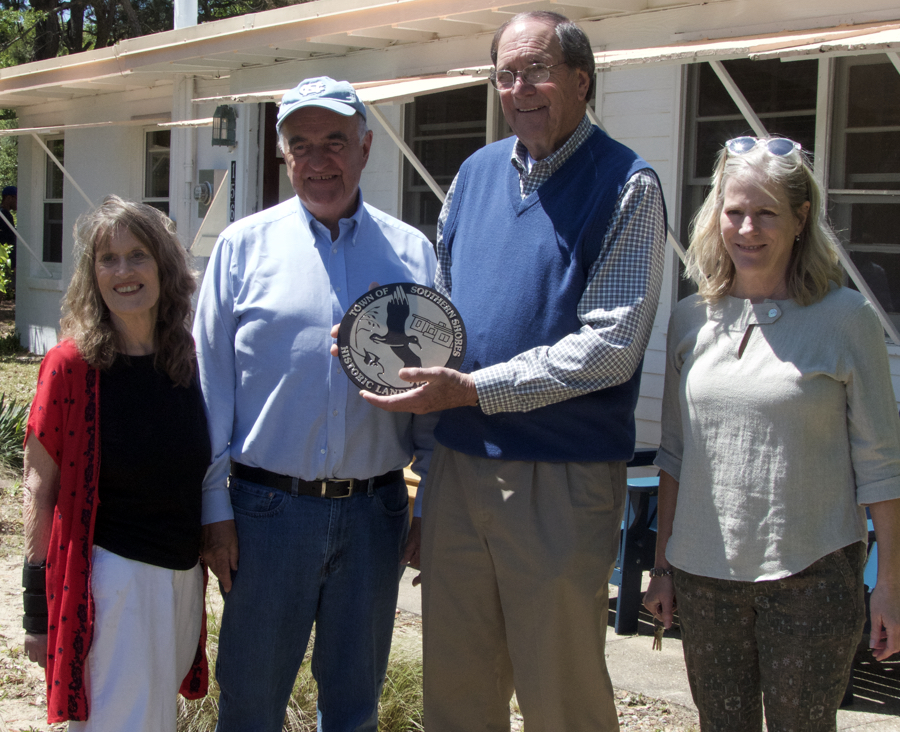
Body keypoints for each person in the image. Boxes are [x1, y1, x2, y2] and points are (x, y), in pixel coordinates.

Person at [362, 12, 666, 732]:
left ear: (581, 82)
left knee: (560, 694)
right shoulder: (472, 176)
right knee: (459, 690)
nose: (519, 87)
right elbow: (441, 319)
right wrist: (373, 340)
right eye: (505, 73)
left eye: (537, 70)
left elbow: (611, 345)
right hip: (462, 469)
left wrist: (472, 390)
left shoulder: (627, 184)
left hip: (560, 479)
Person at [193, 76, 436, 732]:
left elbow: (436, 392)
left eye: (335, 141)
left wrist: (432, 497)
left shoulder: (412, 253)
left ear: (364, 149)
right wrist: (214, 509)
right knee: (249, 702)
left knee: (354, 707)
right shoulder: (243, 249)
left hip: (374, 512)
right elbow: (209, 387)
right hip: (266, 514)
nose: (319, 159)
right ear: (282, 155)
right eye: (301, 145)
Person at [643, 136, 900, 731]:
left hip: (813, 576)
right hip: (705, 578)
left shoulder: (846, 320)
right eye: (735, 211)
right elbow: (676, 455)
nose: (748, 228)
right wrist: (662, 567)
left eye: (766, 213)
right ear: (717, 216)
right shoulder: (690, 319)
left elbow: (882, 464)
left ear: (801, 219)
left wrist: (889, 585)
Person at [22, 195, 210, 730]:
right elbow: (39, 488)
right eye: (109, 258)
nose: (123, 271)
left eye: (138, 255)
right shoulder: (70, 366)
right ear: (92, 273)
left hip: (180, 578)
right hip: (112, 583)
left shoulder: (188, 361)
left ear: (165, 267)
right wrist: (36, 611)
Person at [0, 185, 17, 291]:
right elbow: (7, 240)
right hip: (4, 261)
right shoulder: (3, 215)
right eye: (16, 198)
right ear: (9, 198)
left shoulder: (7, 215)